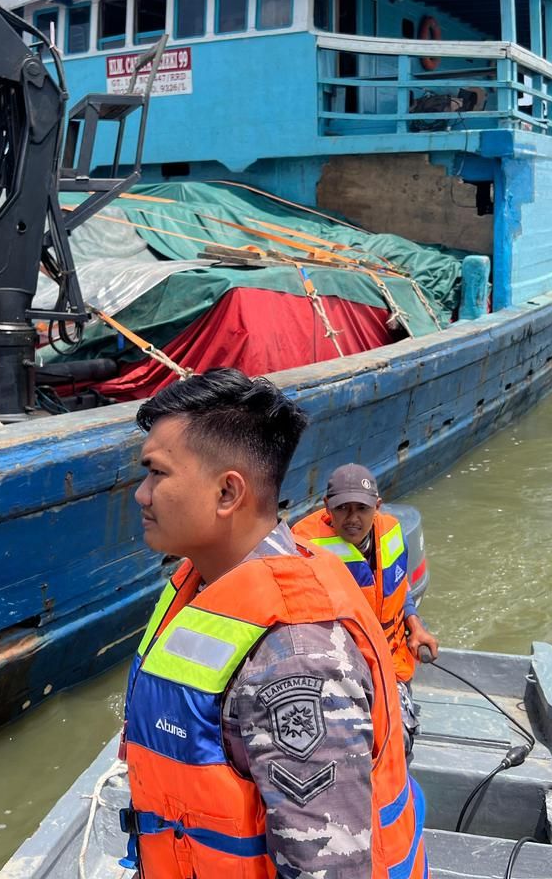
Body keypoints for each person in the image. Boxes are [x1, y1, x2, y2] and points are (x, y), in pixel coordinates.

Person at [119, 369, 426, 879]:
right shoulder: (205, 583)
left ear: (226, 493)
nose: (142, 495)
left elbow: (328, 867)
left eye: (157, 473)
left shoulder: (294, 655)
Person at [292, 464, 438, 756]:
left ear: (378, 507)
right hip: (336, 671)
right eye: (343, 508)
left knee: (398, 741)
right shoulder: (303, 549)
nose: (353, 518)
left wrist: (415, 624)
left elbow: (399, 587)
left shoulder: (393, 533)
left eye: (362, 508)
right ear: (327, 508)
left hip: (391, 663)